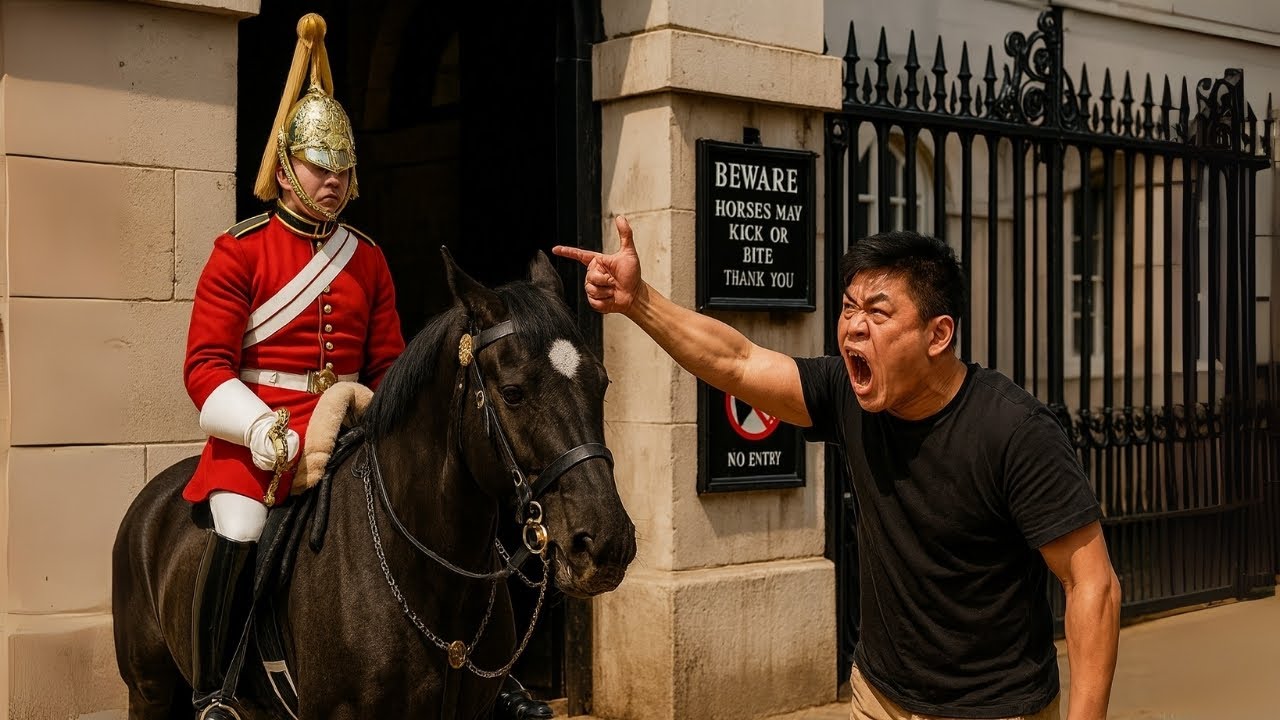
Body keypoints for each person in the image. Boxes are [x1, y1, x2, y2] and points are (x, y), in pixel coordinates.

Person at [555, 219, 1122, 720]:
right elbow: (738, 360)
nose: (853, 326)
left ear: (938, 335)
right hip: (878, 697)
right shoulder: (849, 396)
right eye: (849, 308)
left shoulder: (1015, 431)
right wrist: (639, 301)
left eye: (877, 312)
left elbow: (1091, 585)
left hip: (993, 709)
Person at [182, 14, 549, 720]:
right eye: (319, 165)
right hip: (258, 442)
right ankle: (216, 690)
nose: (334, 179)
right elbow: (204, 368)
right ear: (284, 169)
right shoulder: (240, 252)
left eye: (342, 166)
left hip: (350, 433)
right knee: (240, 529)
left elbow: (387, 366)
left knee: (453, 511)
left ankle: (493, 674)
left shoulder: (368, 257)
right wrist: (261, 432)